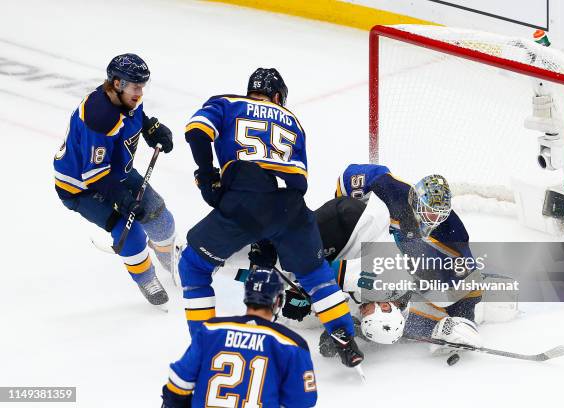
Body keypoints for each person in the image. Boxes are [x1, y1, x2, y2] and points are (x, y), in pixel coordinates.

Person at [179, 68, 362, 367]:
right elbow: (299, 183)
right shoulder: (294, 122)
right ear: (278, 98)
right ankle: (345, 339)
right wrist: (271, 232)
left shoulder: (226, 102)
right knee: (316, 275)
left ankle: (202, 346)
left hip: (245, 202)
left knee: (192, 267)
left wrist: (207, 173)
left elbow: (196, 131)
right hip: (291, 207)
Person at [250, 164, 497, 357]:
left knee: (397, 287)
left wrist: (464, 319)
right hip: (362, 243)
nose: (431, 220)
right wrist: (345, 207)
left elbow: (467, 277)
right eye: (428, 211)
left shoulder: (451, 231)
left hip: (389, 262)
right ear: (415, 198)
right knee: (345, 215)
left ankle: (357, 319)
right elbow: (350, 177)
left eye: (438, 216)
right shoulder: (391, 190)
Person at [53, 53, 176, 307]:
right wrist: (123, 201)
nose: (140, 92)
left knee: (160, 217)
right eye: (135, 86)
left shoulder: (127, 99)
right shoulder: (99, 118)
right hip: (81, 187)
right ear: (117, 84)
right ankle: (146, 278)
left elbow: (135, 115)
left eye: (143, 86)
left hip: (116, 171)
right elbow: (95, 175)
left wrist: (151, 127)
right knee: (128, 230)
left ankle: (170, 259)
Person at [160, 267, 317, 408]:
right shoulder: (292, 344)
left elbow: (178, 383)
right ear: (277, 300)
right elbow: (303, 401)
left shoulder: (211, 330)